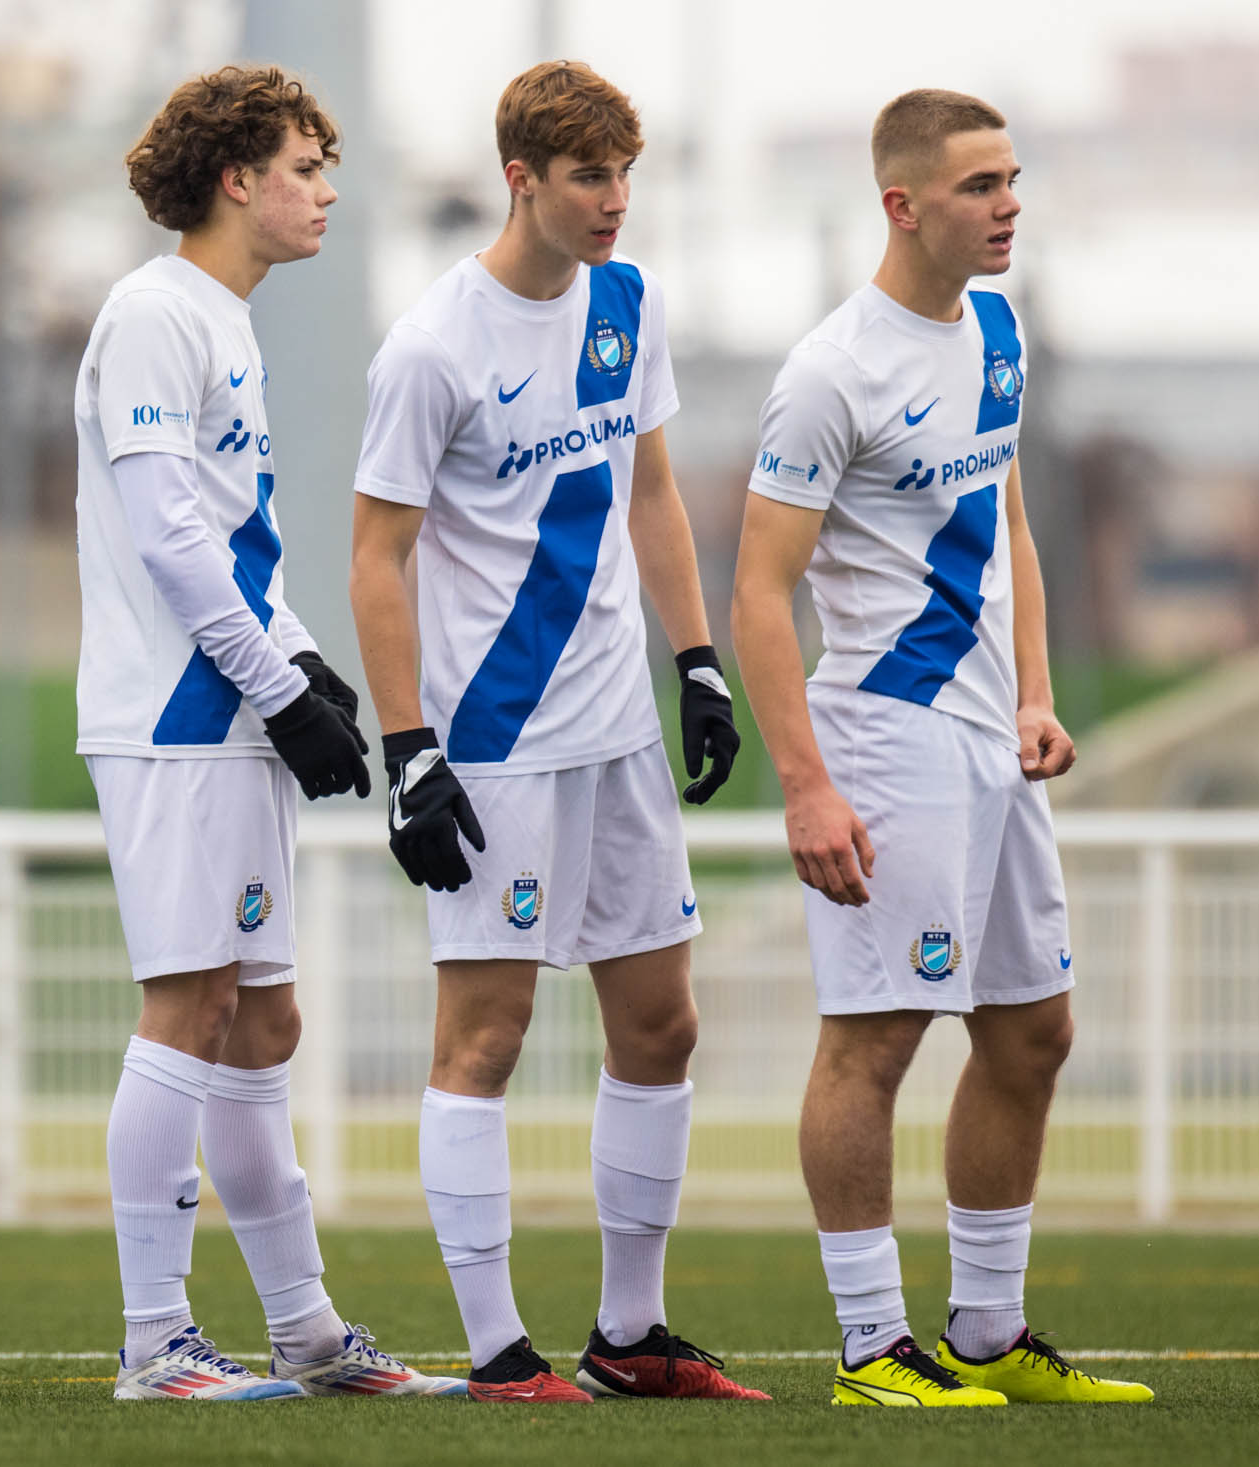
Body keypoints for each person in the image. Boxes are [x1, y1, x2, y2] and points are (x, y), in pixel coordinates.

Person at [348, 60, 763, 1404]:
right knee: (487, 1035)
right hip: (495, 741)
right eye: (590, 177)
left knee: (662, 1022)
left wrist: (696, 660)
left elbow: (648, 488)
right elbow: (375, 555)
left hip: (619, 733)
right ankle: (495, 1351)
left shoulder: (625, 302)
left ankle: (629, 1334)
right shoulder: (430, 347)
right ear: (522, 177)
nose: (615, 203)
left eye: (626, 177)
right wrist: (407, 748)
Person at [731, 87, 1151, 1408]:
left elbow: (1008, 518)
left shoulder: (998, 328)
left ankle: (986, 1330)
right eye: (979, 185)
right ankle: (869, 1347)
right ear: (903, 204)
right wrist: (805, 784)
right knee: (877, 1038)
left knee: (1032, 1033)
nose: (1008, 204)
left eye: (1013, 179)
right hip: (886, 740)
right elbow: (758, 591)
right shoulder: (830, 371)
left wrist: (1034, 690)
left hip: (990, 748)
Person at [76, 65, 456, 1401]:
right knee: (189, 1005)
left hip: (230, 701)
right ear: (237, 177)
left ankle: (302, 1326)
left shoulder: (225, 323)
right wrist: (273, 679)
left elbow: (237, 542)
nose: (326, 193)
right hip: (176, 717)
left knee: (265, 1017)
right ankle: (153, 1338)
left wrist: (302, 665)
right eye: (305, 167)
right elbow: (170, 533)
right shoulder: (153, 314)